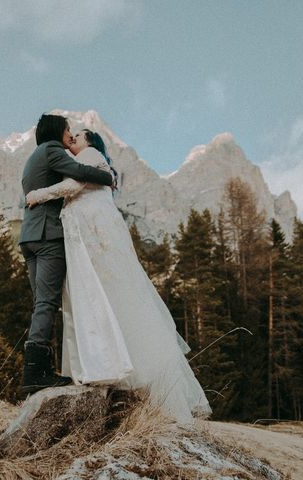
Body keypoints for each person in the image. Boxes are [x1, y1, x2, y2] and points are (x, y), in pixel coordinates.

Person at [26, 129, 211, 423]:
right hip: (92, 239)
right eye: (70, 133)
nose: (73, 136)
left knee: (96, 299)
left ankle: (100, 365)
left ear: (91, 143)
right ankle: (110, 365)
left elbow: (73, 186)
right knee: (109, 302)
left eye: (79, 134)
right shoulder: (98, 164)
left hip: (92, 241)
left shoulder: (90, 156)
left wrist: (38, 194)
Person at [19, 115, 114, 394]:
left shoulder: (32, 159)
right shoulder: (52, 150)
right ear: (56, 131)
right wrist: (108, 176)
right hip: (49, 236)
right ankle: (36, 373)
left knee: (41, 304)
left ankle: (39, 370)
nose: (70, 134)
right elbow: (80, 173)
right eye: (67, 129)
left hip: (28, 237)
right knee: (47, 303)